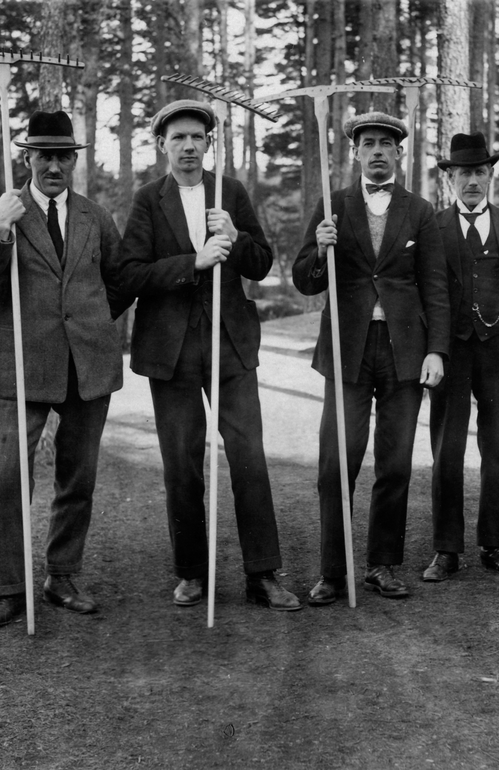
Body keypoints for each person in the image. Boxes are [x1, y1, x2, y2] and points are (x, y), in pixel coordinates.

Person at [115, 99, 300, 611]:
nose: (189, 146)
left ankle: (263, 574)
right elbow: (129, 275)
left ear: (208, 143)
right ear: (162, 145)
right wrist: (191, 263)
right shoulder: (148, 200)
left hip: (230, 345)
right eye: (178, 138)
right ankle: (192, 573)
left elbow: (261, 264)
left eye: (197, 137)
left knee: (249, 457)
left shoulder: (231, 192)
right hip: (170, 350)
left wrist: (236, 239)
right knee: (182, 463)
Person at [0, 110, 128, 627]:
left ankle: (62, 575)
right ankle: (10, 589)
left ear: (73, 161)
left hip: (87, 365)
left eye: (63, 157)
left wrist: (89, 320)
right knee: (8, 478)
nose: (53, 166)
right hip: (24, 364)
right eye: (44, 156)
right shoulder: (2, 211)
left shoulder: (95, 216)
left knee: (78, 477)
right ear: (27, 158)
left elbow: (120, 282)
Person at [293, 111, 450, 604]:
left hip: (405, 351)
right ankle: (332, 572)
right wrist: (319, 250)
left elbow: (436, 287)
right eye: (369, 143)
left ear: (399, 152)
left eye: (386, 143)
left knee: (395, 464)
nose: (378, 150)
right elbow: (304, 281)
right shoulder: (333, 206)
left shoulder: (419, 210)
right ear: (355, 152)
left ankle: (382, 565)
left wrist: (436, 350)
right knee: (336, 463)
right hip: (348, 349)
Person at [423, 132, 499, 583]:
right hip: (450, 352)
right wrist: (432, 349)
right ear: (450, 178)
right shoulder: (432, 228)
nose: (471, 181)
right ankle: (446, 550)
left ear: (490, 175)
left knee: (497, 450)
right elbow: (421, 291)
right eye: (463, 173)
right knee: (447, 450)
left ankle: (493, 544)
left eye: (479, 172)